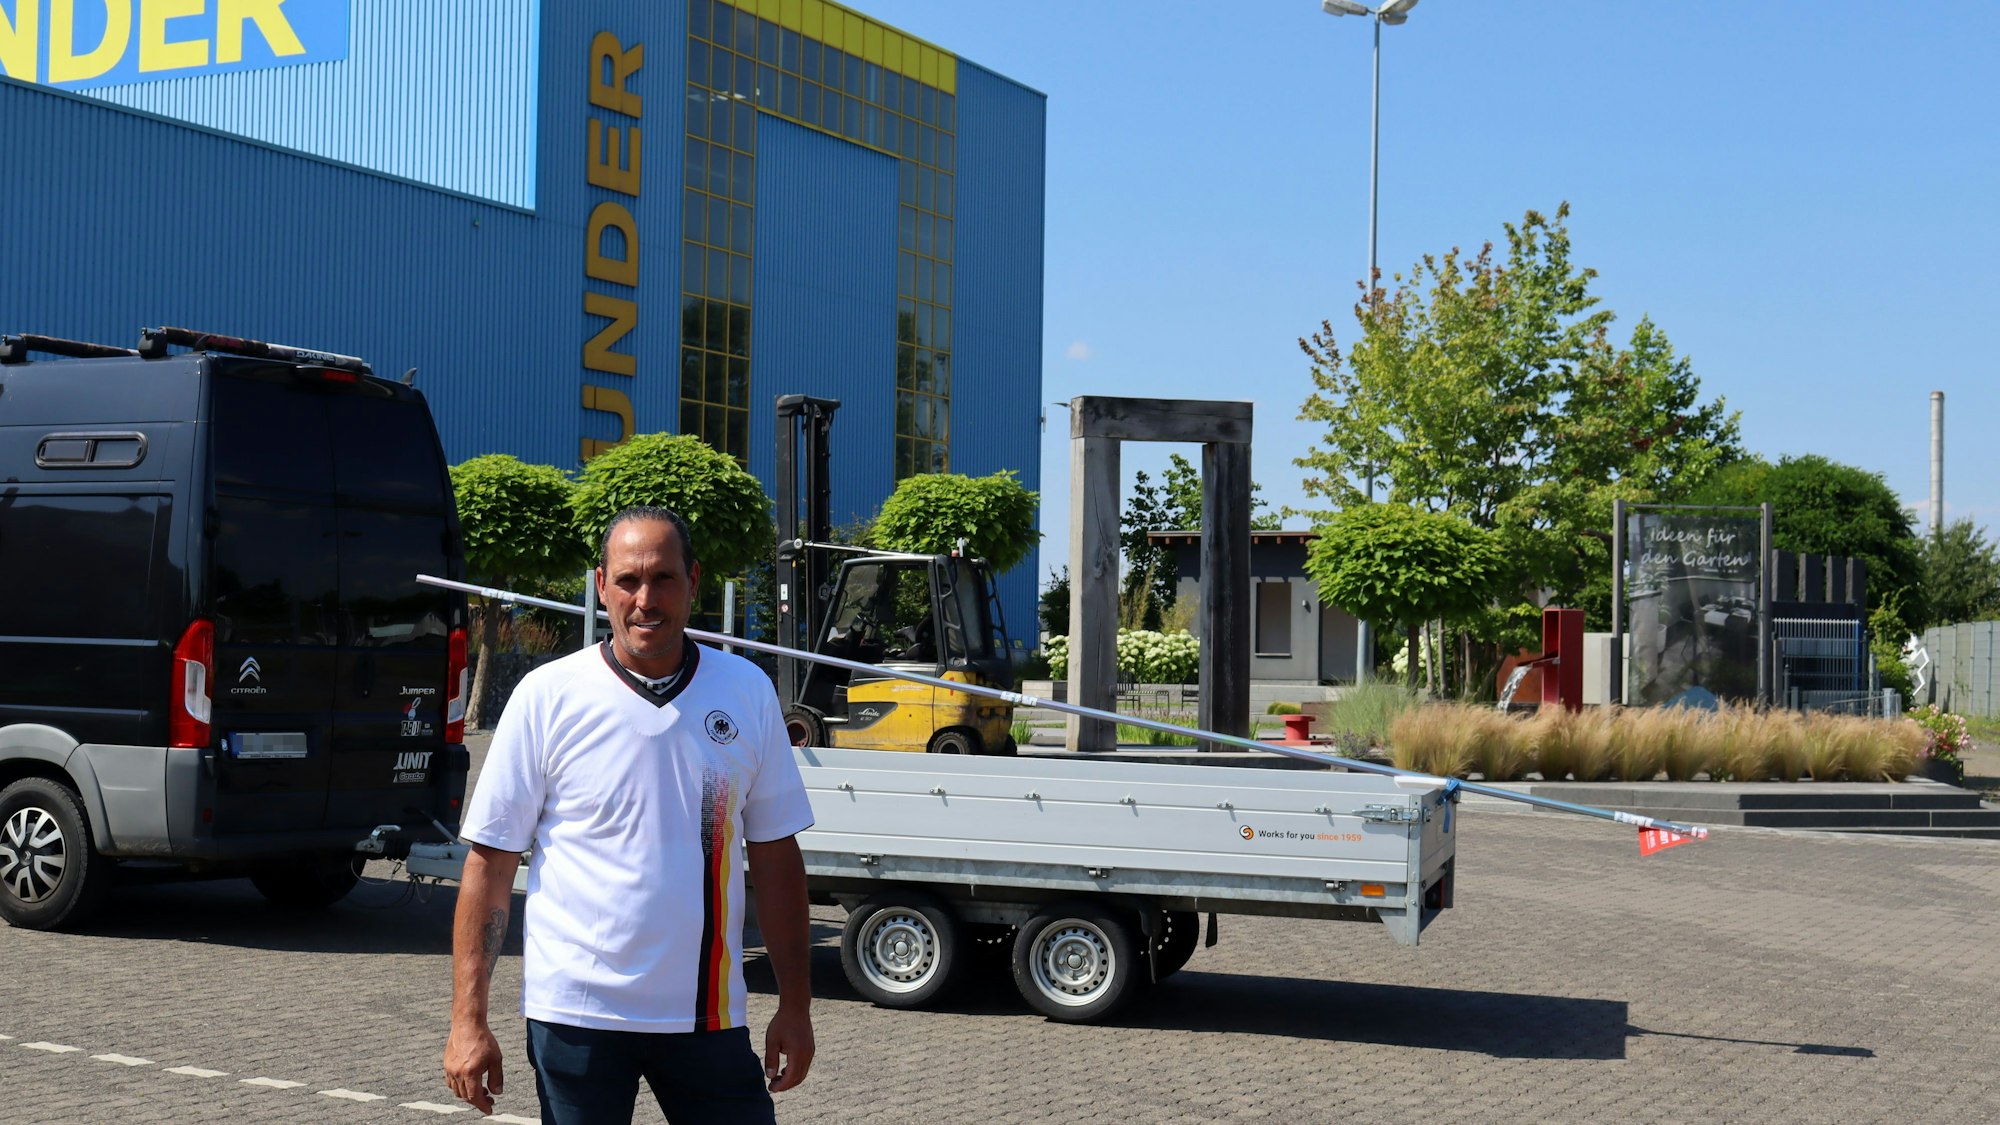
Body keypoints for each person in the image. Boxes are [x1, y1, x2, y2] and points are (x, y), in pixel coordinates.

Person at [443, 505, 816, 1124]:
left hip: (707, 1014)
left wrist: (797, 1007)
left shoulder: (745, 692)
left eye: (664, 578)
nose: (645, 599)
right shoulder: (548, 696)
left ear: (694, 580)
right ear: (601, 585)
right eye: (628, 580)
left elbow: (778, 861)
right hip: (577, 1016)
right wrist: (467, 1021)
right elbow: (490, 865)